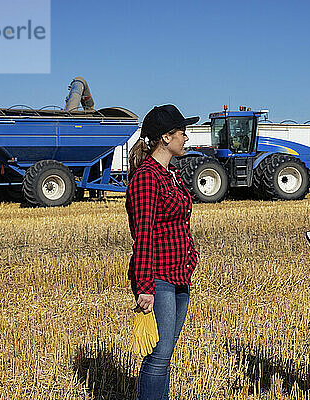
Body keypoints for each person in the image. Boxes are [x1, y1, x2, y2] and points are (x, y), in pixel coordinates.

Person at [126, 104, 200, 400]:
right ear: (166, 137)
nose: (186, 138)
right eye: (183, 133)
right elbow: (143, 235)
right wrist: (144, 286)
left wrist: (191, 257)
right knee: (159, 356)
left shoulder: (172, 175)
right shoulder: (147, 177)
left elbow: (180, 223)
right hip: (157, 279)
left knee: (165, 353)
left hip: (179, 275)